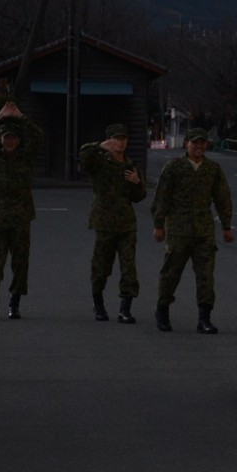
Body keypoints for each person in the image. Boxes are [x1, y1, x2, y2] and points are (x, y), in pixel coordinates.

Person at [151, 127, 234, 334]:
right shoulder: (174, 167)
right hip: (179, 229)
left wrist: (226, 226)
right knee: (171, 273)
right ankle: (162, 311)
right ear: (186, 143)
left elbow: (222, 198)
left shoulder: (212, 169)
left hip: (204, 230)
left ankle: (204, 318)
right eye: (195, 143)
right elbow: (162, 197)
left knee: (206, 275)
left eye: (202, 143)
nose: (199, 147)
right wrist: (159, 225)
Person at [0, 101, 40, 320]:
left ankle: (15, 303)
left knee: (20, 262)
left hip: (21, 217)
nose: (10, 141)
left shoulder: (27, 157)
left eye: (13, 137)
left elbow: (39, 137)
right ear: (1, 139)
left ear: (19, 139)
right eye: (6, 137)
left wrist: (22, 119)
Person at [80, 123, 147, 323]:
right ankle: (98, 304)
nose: (120, 142)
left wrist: (137, 183)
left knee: (128, 267)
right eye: (116, 138)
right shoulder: (99, 161)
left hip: (126, 224)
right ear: (109, 140)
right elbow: (84, 158)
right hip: (104, 222)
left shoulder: (130, 165)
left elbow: (139, 196)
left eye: (123, 138)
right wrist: (100, 146)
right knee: (101, 265)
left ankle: (125, 309)